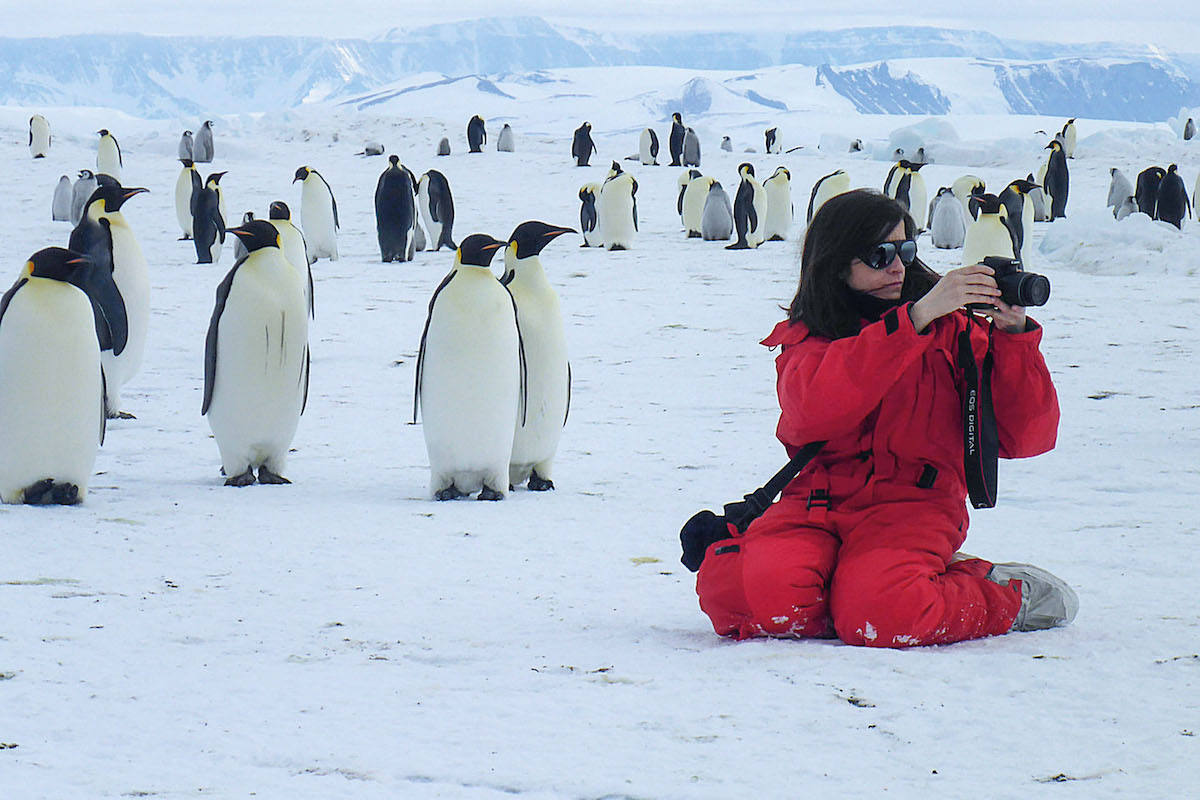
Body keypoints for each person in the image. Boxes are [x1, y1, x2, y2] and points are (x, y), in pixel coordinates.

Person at [696, 189, 1077, 648]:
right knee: (749, 596)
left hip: (912, 505)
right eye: (879, 255)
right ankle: (878, 587)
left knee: (883, 615)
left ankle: (1007, 595)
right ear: (837, 264)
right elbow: (810, 412)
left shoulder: (954, 330)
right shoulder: (812, 338)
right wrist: (911, 322)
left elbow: (1028, 437)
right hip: (816, 503)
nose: (898, 267)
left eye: (906, 251)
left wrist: (1013, 340)